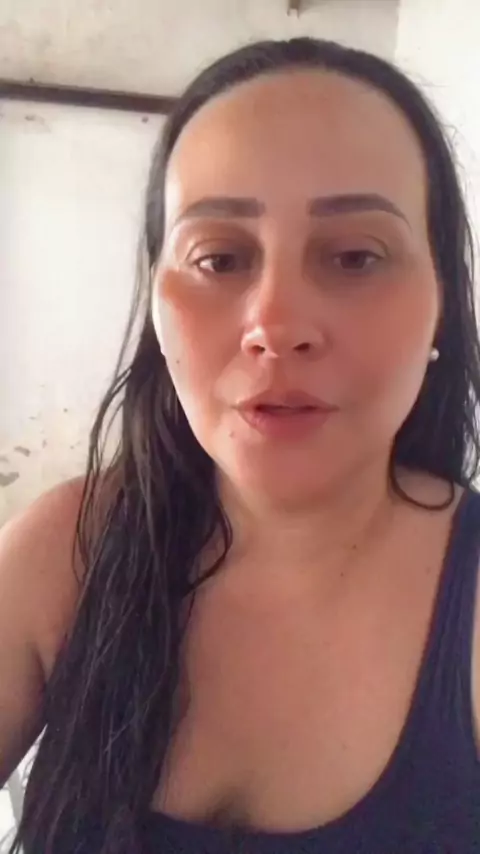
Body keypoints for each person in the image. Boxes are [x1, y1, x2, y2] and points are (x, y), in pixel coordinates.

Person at [1, 36, 480, 854]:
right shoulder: (65, 553)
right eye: (219, 258)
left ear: (442, 298)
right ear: (156, 306)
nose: (276, 324)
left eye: (356, 256)